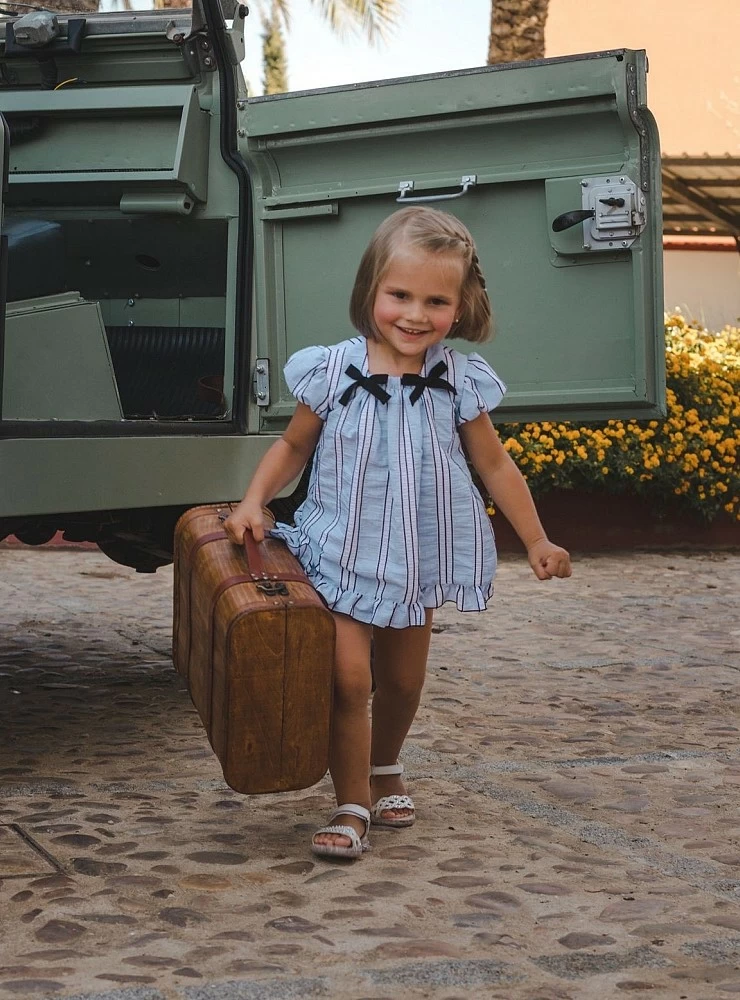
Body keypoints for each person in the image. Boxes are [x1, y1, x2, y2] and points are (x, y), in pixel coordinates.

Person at [223, 206, 571, 859]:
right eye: (400, 295)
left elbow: (494, 464)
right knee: (352, 680)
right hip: (340, 551)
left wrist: (538, 539)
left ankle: (384, 767)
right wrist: (253, 500)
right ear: (370, 293)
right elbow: (293, 447)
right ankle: (351, 804)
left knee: (404, 682)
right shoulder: (332, 372)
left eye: (436, 300)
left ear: (462, 306)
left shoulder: (456, 380)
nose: (415, 314)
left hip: (414, 558)